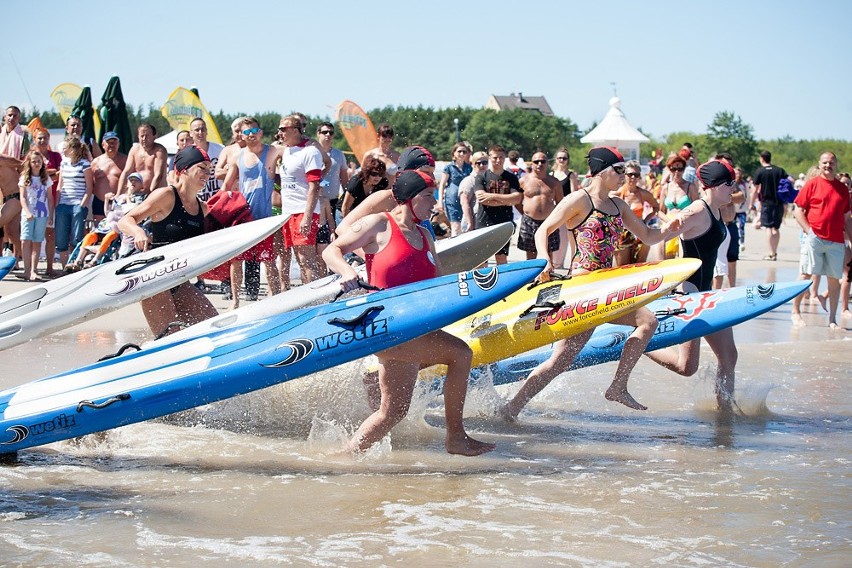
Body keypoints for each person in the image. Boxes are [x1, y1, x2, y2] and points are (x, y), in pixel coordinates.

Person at [322, 170, 495, 456]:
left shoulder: (426, 234)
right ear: (410, 198)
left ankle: (343, 457)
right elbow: (332, 250)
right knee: (461, 354)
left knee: (393, 412)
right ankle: (456, 438)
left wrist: (476, 290)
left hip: (417, 327)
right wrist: (347, 270)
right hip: (388, 325)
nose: (435, 203)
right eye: (428, 196)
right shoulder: (379, 224)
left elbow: (439, 282)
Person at [501, 147, 676, 419]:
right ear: (603, 171)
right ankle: (511, 408)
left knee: (644, 323)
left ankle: (616, 387)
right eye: (618, 170)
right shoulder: (579, 200)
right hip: (582, 286)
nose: (623, 176)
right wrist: (546, 259)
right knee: (561, 359)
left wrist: (674, 229)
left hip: (607, 285)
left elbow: (648, 236)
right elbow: (544, 229)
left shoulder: (619, 205)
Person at [644, 159, 740, 411]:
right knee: (686, 367)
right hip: (690, 297)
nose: (734, 187)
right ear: (712, 185)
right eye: (729, 183)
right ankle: (637, 345)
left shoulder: (717, 209)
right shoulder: (697, 211)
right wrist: (658, 278)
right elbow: (659, 237)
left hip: (708, 295)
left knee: (729, 356)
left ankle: (725, 418)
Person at [117, 146, 218, 337]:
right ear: (184, 170)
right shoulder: (166, 196)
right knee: (170, 337)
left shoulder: (202, 208)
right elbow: (125, 220)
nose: (207, 173)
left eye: (209, 168)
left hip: (179, 281)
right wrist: (138, 232)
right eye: (202, 167)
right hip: (154, 280)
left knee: (214, 328)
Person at [222, 117, 281, 306]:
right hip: (243, 218)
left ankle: (275, 298)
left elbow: (295, 151)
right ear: (241, 135)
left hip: (265, 219)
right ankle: (236, 301)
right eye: (246, 132)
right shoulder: (236, 156)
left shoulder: (272, 152)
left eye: (254, 131)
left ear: (261, 132)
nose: (251, 135)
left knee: (269, 260)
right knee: (237, 260)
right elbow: (225, 187)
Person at [790, 152, 852, 329]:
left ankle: (832, 319)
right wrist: (809, 231)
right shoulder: (812, 184)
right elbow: (798, 210)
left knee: (834, 279)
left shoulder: (842, 189)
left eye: (831, 162)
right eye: (825, 162)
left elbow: (847, 218)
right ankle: (795, 311)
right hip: (815, 237)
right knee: (806, 274)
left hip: (836, 240)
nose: (828, 165)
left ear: (836, 164)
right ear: (820, 164)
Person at [336, 146, 436, 236]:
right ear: (405, 173)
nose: (432, 178)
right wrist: (369, 254)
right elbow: (343, 229)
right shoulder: (386, 198)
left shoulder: (424, 201)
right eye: (426, 172)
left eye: (432, 172)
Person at [276, 114, 324, 285]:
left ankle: (315, 299)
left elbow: (314, 186)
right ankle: (307, 294)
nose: (279, 133)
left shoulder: (310, 151)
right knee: (299, 259)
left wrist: (308, 217)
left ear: (295, 130)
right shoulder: (287, 151)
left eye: (283, 129)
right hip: (288, 212)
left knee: (306, 260)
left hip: (303, 211)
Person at [473, 145, 523, 264]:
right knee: (482, 258)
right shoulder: (481, 176)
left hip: (504, 222)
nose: (498, 160)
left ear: (505, 158)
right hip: (484, 221)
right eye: (495, 157)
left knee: (501, 257)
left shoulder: (511, 177)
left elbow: (516, 199)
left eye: (501, 157)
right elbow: (481, 198)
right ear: (490, 158)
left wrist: (491, 196)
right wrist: (506, 200)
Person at [314, 121, 349, 275]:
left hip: (333, 200)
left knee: (333, 237)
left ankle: (333, 271)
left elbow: (344, 180)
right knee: (315, 241)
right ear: (318, 134)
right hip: (315, 201)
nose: (328, 135)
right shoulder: (312, 152)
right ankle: (317, 271)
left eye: (331, 132)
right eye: (324, 132)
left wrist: (348, 200)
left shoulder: (338, 155)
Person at [55, 137, 94, 269]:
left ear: (72, 150)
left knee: (76, 237)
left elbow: (89, 187)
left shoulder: (84, 164)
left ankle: (75, 263)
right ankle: (64, 266)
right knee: (61, 237)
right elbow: (60, 184)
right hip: (63, 203)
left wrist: (82, 205)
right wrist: (57, 203)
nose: (63, 150)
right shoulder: (64, 163)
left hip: (77, 203)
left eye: (65, 148)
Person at [517, 151, 563, 260]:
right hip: (529, 221)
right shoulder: (523, 181)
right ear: (531, 164)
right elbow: (517, 201)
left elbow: (561, 202)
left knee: (548, 254)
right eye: (536, 161)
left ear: (547, 163)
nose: (539, 164)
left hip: (549, 221)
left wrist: (556, 218)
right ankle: (532, 277)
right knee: (531, 255)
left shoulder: (555, 182)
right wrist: (526, 213)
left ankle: (548, 276)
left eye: (543, 161)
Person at [615, 159, 659, 266]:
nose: (633, 177)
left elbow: (656, 207)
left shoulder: (643, 194)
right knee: (623, 268)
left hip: (640, 232)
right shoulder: (617, 193)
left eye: (636, 174)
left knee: (639, 268)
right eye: (630, 174)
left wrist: (646, 220)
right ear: (624, 175)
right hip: (622, 234)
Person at [17, 150, 52, 281]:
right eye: (34, 161)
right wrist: (27, 211)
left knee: (37, 242)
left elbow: (49, 198)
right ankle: (26, 270)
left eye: (39, 161)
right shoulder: (25, 178)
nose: (36, 164)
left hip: (42, 214)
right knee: (25, 240)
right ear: (29, 163)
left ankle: (34, 270)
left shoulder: (46, 179)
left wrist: (51, 214)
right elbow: (23, 197)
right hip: (28, 213)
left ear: (42, 162)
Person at [32, 128, 62, 276]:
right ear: (35, 139)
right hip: (34, 202)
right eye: (39, 138)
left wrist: (43, 173)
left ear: (49, 138)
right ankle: (33, 268)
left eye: (44, 138)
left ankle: (50, 267)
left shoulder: (56, 156)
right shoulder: (30, 156)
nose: (42, 141)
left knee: (50, 235)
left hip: (51, 200)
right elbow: (29, 174)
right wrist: (50, 173)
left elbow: (60, 173)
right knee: (33, 236)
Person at [750, 150, 790, 261]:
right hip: (779, 202)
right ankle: (775, 252)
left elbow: (754, 189)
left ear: (762, 158)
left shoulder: (760, 171)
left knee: (768, 228)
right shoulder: (779, 170)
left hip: (766, 203)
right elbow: (787, 183)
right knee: (776, 228)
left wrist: (751, 203)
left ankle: (770, 253)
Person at [0, 106, 25, 267]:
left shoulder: (21, 137)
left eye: (15, 116)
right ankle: (16, 260)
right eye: (9, 115)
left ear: (19, 118)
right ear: (5, 117)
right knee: (12, 233)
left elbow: (9, 160)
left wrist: (22, 164)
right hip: (6, 196)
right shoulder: (2, 136)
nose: (11, 118)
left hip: (15, 194)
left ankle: (18, 258)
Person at [117, 123, 168, 198]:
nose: (144, 139)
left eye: (147, 136)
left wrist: (151, 194)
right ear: (138, 136)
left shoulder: (159, 150)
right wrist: (119, 194)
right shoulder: (134, 149)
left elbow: (158, 175)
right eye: (142, 136)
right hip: (136, 194)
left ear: (154, 136)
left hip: (155, 194)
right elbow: (126, 172)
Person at [89, 131, 127, 223]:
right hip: (99, 201)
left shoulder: (125, 160)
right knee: (99, 231)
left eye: (114, 142)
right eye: (109, 142)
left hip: (118, 202)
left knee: (116, 231)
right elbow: (91, 183)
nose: (112, 145)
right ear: (103, 144)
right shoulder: (95, 162)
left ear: (118, 144)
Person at [436, 143, 472, 237]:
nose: (462, 153)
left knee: (465, 226)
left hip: (466, 201)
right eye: (459, 151)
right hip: (452, 200)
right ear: (454, 153)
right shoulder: (449, 167)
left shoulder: (469, 168)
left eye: (464, 151)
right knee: (455, 226)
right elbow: (442, 185)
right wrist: (440, 202)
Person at [189, 118, 224, 202]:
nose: (200, 132)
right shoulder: (187, 153)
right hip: (198, 201)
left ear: (207, 131)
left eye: (203, 129)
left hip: (219, 199)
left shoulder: (220, 149)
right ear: (191, 133)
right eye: (197, 130)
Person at [458, 151, 488, 232]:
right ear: (473, 164)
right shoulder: (469, 180)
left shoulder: (489, 180)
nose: (482, 165)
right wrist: (469, 222)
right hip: (472, 224)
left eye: (484, 162)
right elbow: (464, 203)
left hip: (485, 222)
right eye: (478, 163)